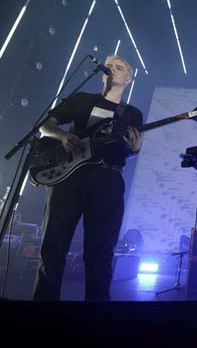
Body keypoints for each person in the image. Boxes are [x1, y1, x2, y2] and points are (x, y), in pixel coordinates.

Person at [33, 55, 143, 301]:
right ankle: (40, 312)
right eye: (109, 66)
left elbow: (131, 151)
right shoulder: (81, 100)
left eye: (119, 67)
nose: (111, 69)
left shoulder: (132, 114)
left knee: (100, 252)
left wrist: (135, 149)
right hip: (68, 178)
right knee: (53, 247)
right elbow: (45, 125)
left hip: (107, 180)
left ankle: (96, 318)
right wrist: (62, 136)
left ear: (128, 78)